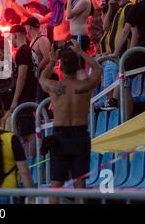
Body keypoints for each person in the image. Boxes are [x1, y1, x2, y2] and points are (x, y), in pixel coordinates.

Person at [39, 41, 102, 204]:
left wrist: (52, 60)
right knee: (80, 184)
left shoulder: (55, 87)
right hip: (80, 135)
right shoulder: (85, 86)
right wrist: (82, 52)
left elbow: (42, 78)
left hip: (60, 136)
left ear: (61, 67)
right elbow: (98, 69)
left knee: (56, 185)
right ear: (77, 67)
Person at [100, 0, 136, 111]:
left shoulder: (129, 8)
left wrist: (129, 54)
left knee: (122, 91)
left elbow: (133, 32)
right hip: (111, 57)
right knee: (109, 94)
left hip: (120, 56)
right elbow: (105, 27)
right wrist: (110, 8)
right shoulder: (118, 9)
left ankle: (127, 120)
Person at [9, 25, 37, 158]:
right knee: (27, 134)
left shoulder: (23, 52)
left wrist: (15, 100)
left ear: (15, 35)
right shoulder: (31, 51)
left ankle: (32, 165)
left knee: (28, 135)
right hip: (31, 95)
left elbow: (22, 76)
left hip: (25, 98)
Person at [23, 17, 51, 102]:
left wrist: (37, 69)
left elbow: (47, 58)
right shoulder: (34, 39)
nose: (25, 28)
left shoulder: (42, 39)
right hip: (39, 75)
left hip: (43, 75)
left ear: (29, 27)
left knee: (42, 101)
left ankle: (43, 115)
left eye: (26, 26)